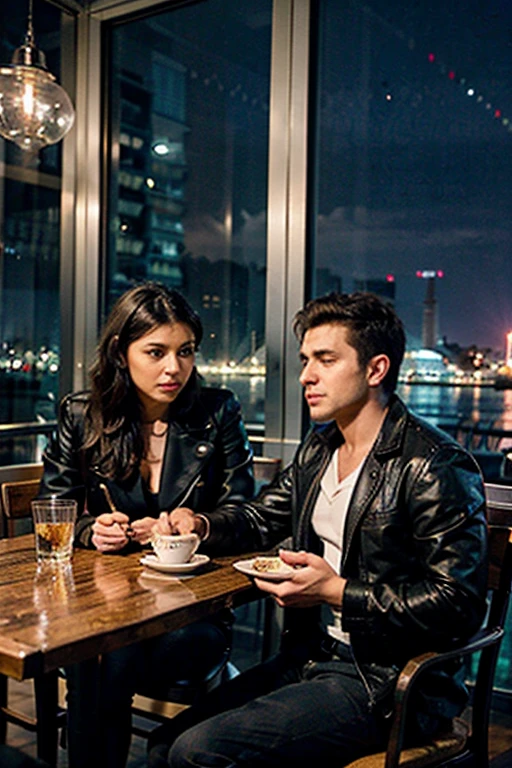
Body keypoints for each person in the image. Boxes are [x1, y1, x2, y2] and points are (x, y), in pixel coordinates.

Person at [148, 291, 488, 768]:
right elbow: (263, 518)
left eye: (326, 360)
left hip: (390, 681)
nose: (306, 375)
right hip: (311, 655)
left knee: (195, 754)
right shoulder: (320, 448)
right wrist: (200, 524)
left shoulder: (434, 464)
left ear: (376, 370)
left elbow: (460, 604)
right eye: (306, 359)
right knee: (165, 744)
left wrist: (337, 592)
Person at [38, 282, 254, 768]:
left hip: (190, 615)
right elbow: (53, 507)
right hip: (101, 608)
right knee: (103, 648)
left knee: (100, 657)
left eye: (186, 352)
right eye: (155, 352)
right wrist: (94, 530)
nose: (173, 368)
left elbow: (246, 513)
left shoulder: (218, 412)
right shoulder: (81, 414)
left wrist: (198, 523)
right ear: (121, 351)